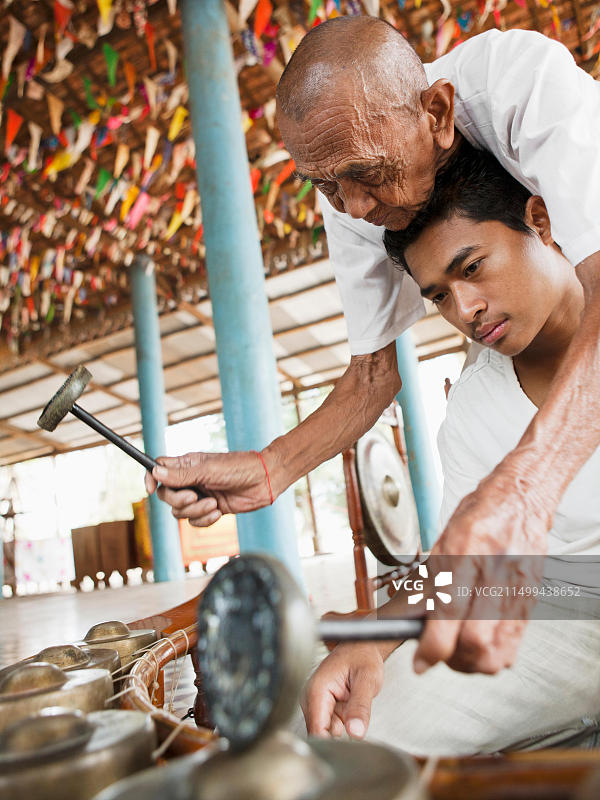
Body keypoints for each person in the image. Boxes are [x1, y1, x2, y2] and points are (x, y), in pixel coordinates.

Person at [146, 16, 600, 674]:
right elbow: (372, 375)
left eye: (471, 268)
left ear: (438, 114)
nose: (352, 208)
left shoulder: (528, 89)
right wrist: (272, 469)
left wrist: (522, 495)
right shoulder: (478, 407)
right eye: (325, 186)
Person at [301, 143, 600, 754]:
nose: (465, 310)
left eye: (471, 268)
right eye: (438, 295)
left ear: (540, 222)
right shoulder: (474, 406)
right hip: (557, 609)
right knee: (352, 733)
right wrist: (376, 638)